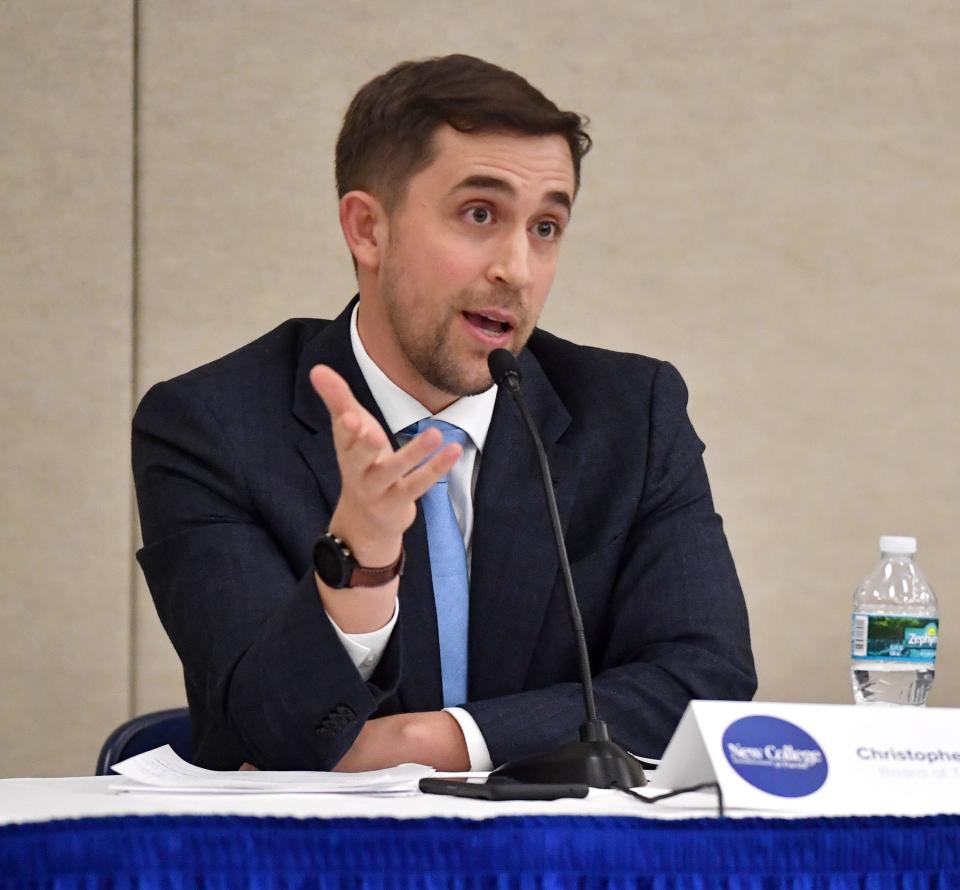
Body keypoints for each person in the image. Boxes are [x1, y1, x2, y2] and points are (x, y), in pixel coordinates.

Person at [133, 54, 756, 772]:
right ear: (368, 229)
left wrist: (427, 741)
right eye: (479, 215)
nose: (517, 270)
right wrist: (360, 564)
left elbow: (707, 680)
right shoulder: (212, 426)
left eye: (546, 227)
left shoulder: (630, 415)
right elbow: (262, 728)